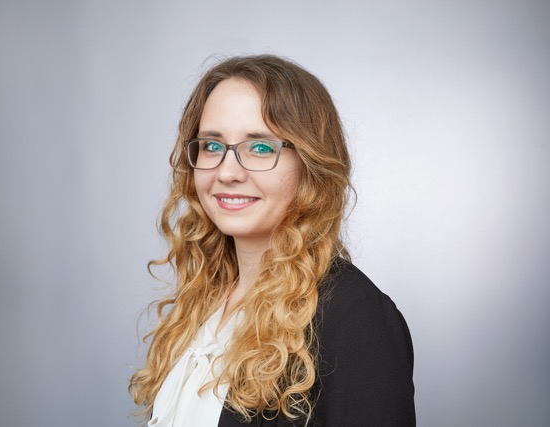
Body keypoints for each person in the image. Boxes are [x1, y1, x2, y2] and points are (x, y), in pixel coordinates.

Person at [129, 54, 415, 426]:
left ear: (310, 165)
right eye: (212, 146)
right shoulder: (205, 300)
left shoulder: (356, 318)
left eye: (260, 147)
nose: (227, 172)